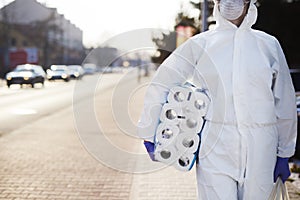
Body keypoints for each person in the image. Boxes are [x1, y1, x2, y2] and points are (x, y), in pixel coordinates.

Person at [138, 0, 297, 199]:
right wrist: (149, 129)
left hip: (261, 148)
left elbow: (284, 101)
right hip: (216, 147)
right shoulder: (201, 44)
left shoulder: (268, 45)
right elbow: (163, 81)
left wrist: (284, 151)